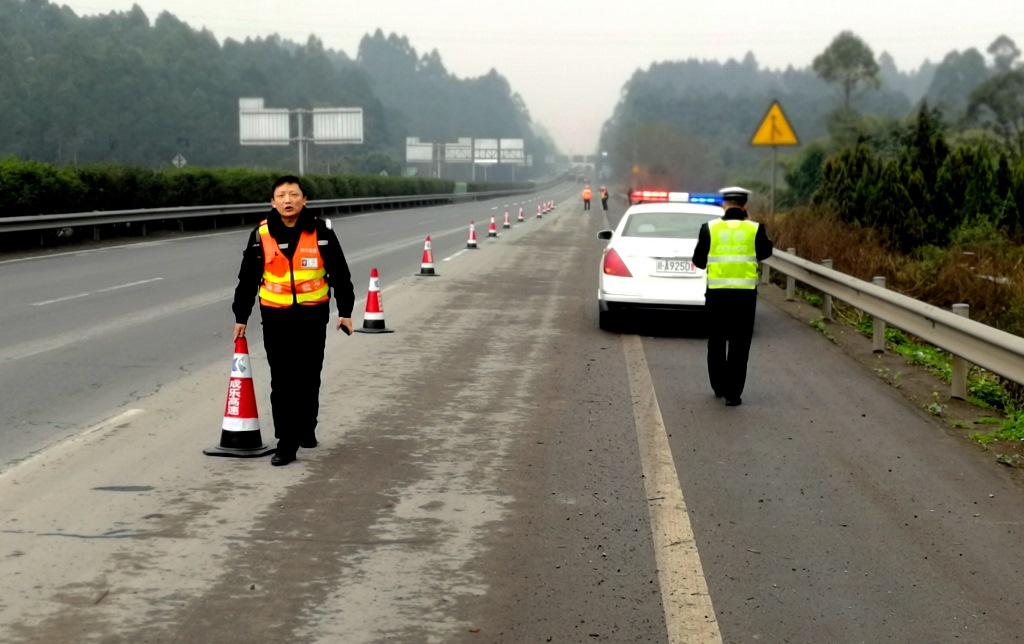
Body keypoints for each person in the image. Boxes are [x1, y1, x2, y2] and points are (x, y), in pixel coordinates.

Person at [232, 175, 356, 466]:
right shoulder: (260, 235)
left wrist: (346, 312)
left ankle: (306, 428)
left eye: (294, 195)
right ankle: (285, 443)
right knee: (283, 379)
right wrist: (241, 316)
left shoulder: (321, 232)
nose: (288, 200)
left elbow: (340, 273)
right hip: (275, 316)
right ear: (272, 202)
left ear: (305, 200)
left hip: (313, 314)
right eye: (282, 195)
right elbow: (247, 278)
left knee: (309, 375)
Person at [691, 186, 773, 407]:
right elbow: (765, 252)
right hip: (744, 297)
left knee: (716, 340)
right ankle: (733, 394)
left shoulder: (709, 228)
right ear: (744, 206)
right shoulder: (755, 229)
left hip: (717, 294)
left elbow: (698, 261)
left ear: (724, 204)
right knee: (740, 343)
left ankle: (718, 385)